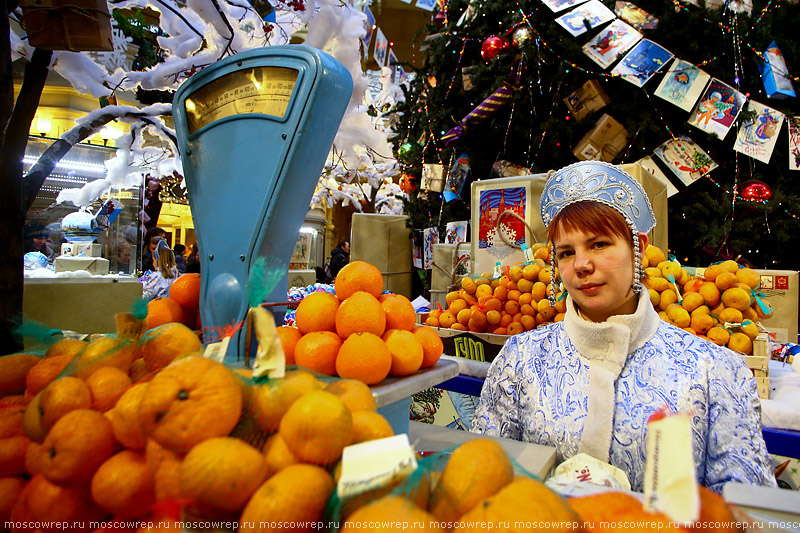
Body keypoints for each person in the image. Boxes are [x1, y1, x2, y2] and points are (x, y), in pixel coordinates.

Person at [470, 161, 775, 493]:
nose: (582, 265)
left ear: (639, 248)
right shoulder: (521, 359)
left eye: (599, 244)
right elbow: (483, 478)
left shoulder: (714, 371)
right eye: (567, 252)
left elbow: (747, 510)